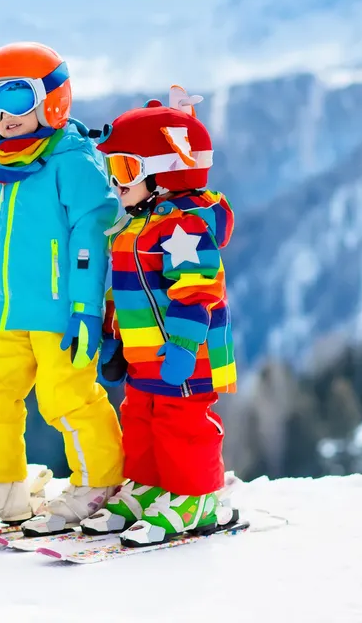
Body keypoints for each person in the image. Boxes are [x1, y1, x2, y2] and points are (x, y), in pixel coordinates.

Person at [0, 41, 124, 539]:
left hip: (61, 311)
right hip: (7, 313)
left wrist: (85, 307)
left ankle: (98, 482)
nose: (3, 116)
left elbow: (92, 236)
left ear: (52, 98)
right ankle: (1, 486)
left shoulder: (73, 161)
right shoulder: (2, 165)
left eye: (16, 99)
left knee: (67, 399)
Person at [78, 85, 240, 547]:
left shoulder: (182, 227)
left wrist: (185, 346)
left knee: (181, 420)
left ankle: (198, 496)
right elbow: (123, 290)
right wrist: (113, 336)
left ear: (167, 174)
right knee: (141, 416)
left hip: (185, 352)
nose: (118, 182)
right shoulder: (134, 227)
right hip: (145, 355)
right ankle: (150, 488)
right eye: (114, 169)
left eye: (127, 169)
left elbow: (199, 290)